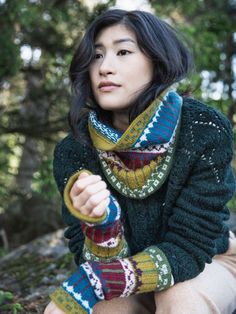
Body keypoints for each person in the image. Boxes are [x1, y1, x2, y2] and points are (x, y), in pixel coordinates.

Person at [44, 9, 236, 314]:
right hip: (128, 273)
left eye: (123, 52)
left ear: (157, 63)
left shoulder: (203, 128)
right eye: (96, 56)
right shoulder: (74, 150)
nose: (105, 67)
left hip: (207, 261)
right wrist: (102, 225)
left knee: (180, 300)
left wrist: (95, 283)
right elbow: (91, 259)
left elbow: (191, 247)